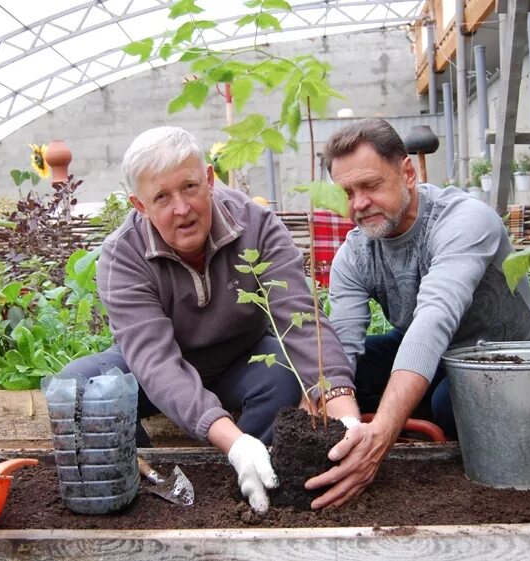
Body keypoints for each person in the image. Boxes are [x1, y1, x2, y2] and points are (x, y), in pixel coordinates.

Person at [59, 126, 361, 514]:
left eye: (189, 187)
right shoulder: (123, 256)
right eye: (162, 197)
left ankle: (254, 480)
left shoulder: (256, 226)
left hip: (241, 360)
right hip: (155, 375)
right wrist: (232, 441)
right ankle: (144, 482)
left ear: (209, 179)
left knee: (281, 371)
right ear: (139, 205)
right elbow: (156, 363)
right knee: (82, 387)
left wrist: (343, 409)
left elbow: (299, 318)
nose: (181, 208)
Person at [305, 118, 530, 509]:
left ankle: (409, 415)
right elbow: (340, 349)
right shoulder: (355, 253)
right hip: (433, 356)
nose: (359, 204)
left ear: (407, 172)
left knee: (447, 403)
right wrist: (345, 422)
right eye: (348, 192)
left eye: (370, 186)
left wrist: (383, 432)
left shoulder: (464, 220)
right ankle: (392, 418)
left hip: (505, 356)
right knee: (341, 371)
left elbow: (434, 320)